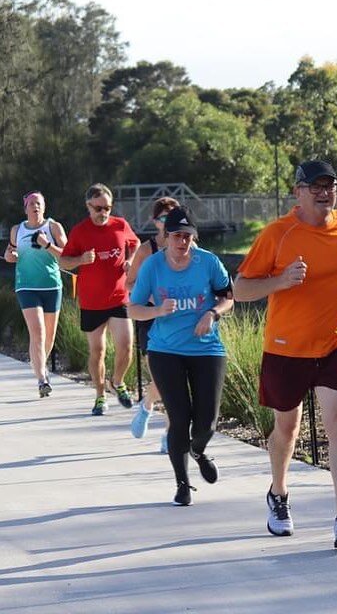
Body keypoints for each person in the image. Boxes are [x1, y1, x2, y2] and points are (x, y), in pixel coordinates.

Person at [234, 159, 337, 549]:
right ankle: (278, 494)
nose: (325, 191)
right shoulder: (278, 234)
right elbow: (240, 289)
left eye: (330, 185)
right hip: (286, 346)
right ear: (298, 191)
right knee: (287, 428)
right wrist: (280, 280)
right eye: (315, 186)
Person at [128, 206, 233, 506]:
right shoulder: (152, 266)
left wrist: (212, 314)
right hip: (165, 350)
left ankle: (198, 451)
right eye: (176, 236)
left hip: (207, 349)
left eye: (187, 236)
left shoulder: (208, 262)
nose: (182, 242)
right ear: (165, 237)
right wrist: (158, 310)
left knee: (206, 423)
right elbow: (133, 309)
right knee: (179, 417)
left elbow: (228, 297)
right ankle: (182, 484)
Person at [59, 184, 140, 416]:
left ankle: (117, 381)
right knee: (98, 350)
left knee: (125, 346)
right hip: (92, 302)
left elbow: (133, 243)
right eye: (99, 208)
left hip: (119, 297)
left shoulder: (120, 225)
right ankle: (100, 395)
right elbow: (64, 262)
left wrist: (130, 260)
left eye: (108, 207)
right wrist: (82, 259)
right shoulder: (79, 232)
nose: (104, 212)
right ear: (88, 206)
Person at [125, 197, 180, 452]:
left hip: (180, 319)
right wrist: (152, 298)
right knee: (163, 377)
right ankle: (148, 408)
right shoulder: (147, 250)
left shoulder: (185, 244)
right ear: (155, 221)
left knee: (175, 379)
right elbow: (129, 283)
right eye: (162, 218)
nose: (167, 223)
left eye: (172, 216)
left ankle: (168, 431)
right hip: (151, 318)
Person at [3, 191, 68, 397]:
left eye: (38, 203)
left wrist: (47, 244)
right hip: (26, 285)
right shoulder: (17, 230)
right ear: (25, 208)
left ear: (44, 206)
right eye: (31, 203)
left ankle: (40, 366)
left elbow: (67, 255)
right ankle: (42, 379)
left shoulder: (53, 227)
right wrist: (9, 256)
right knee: (37, 332)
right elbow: (10, 253)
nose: (35, 207)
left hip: (51, 285)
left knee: (48, 337)